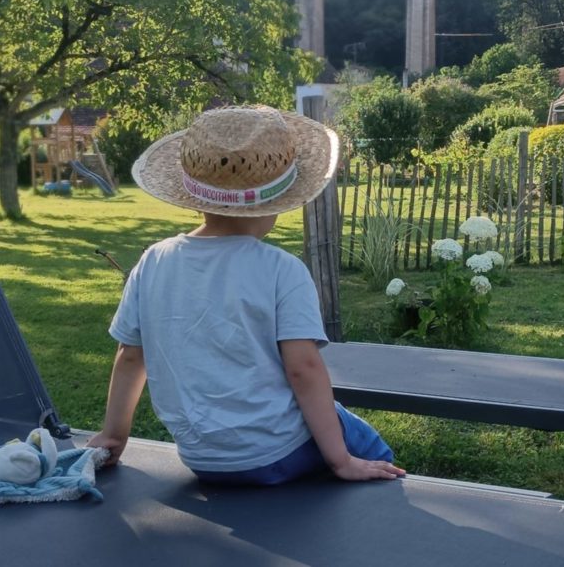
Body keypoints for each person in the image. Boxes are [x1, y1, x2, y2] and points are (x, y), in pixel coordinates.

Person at [87, 106, 405, 484]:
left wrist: (113, 436)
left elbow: (130, 356)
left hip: (203, 459)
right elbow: (303, 369)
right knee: (368, 445)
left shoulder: (153, 260)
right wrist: (341, 462)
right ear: (277, 203)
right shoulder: (281, 269)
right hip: (275, 453)